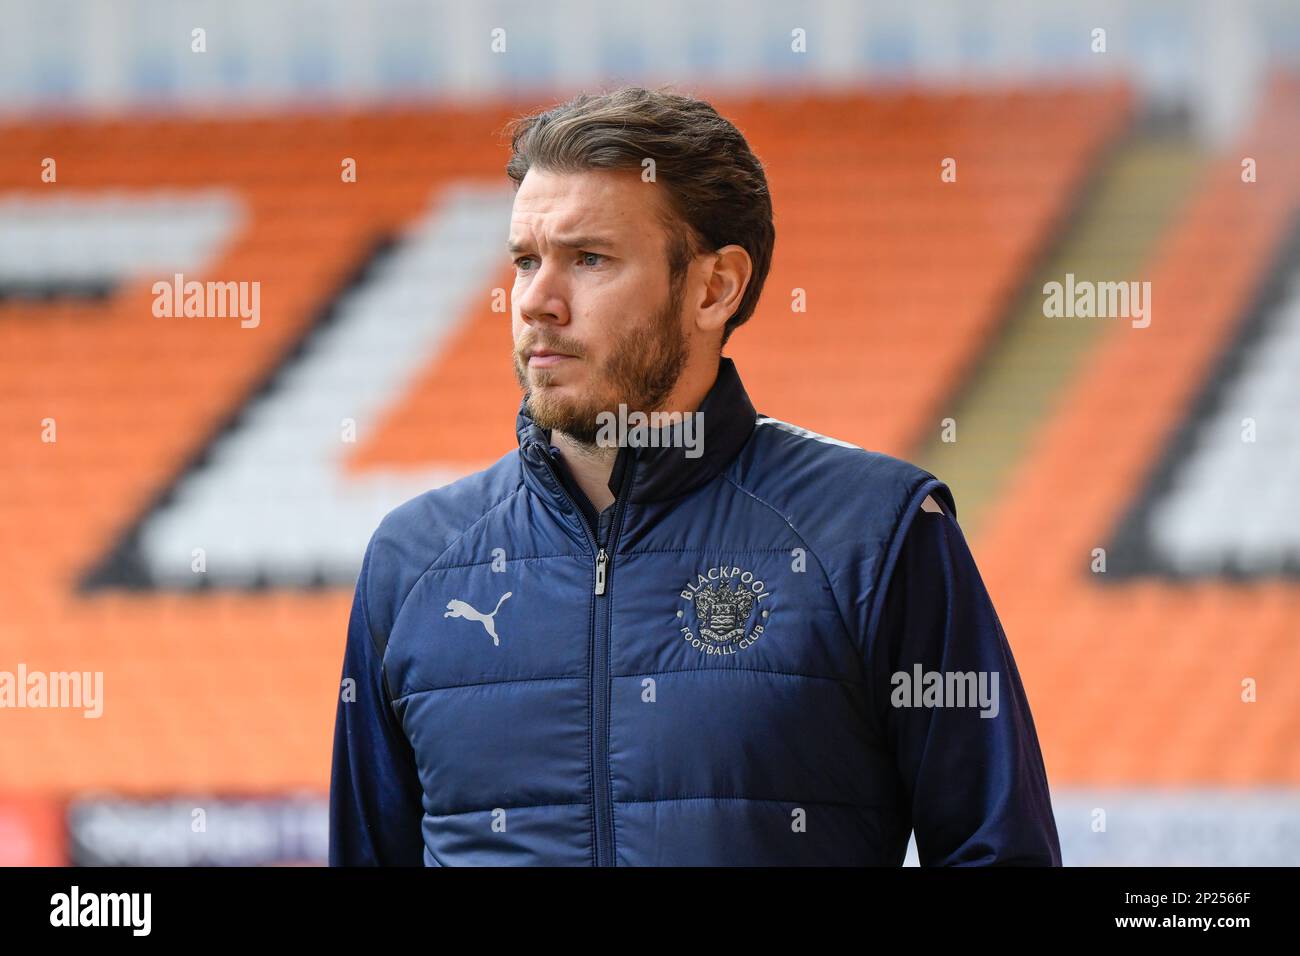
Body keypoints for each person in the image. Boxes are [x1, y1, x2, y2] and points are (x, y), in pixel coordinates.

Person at [329, 86, 1061, 866]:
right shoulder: (412, 562)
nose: (537, 301)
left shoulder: (876, 535)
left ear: (716, 288)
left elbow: (998, 852)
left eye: (589, 259)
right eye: (525, 261)